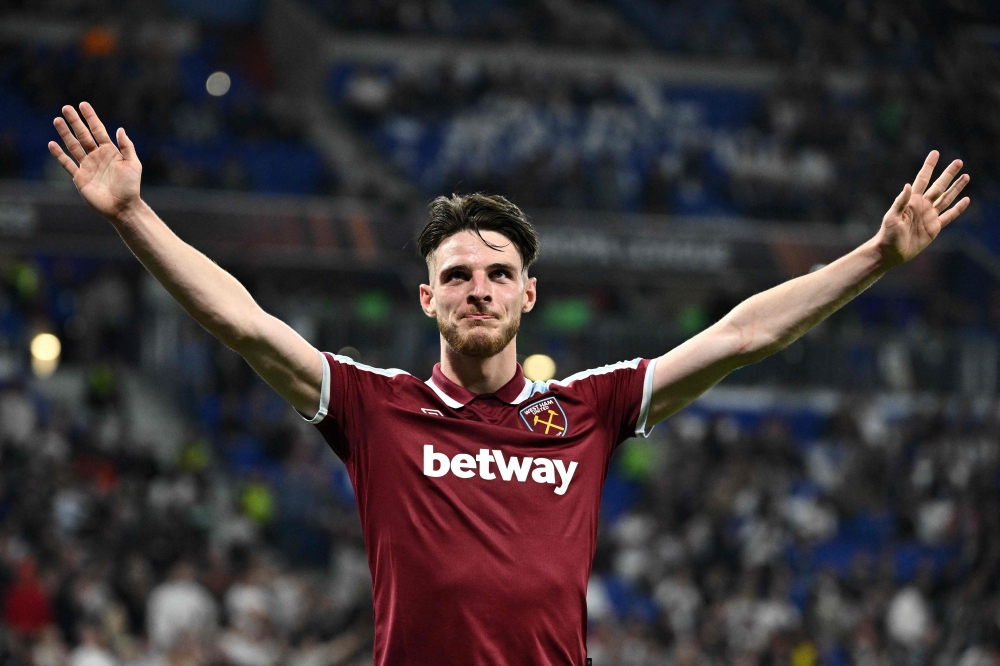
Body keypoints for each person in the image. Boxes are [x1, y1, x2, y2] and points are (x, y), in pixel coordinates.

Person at [47, 102, 970, 666]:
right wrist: (133, 214)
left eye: (496, 273)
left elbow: (743, 333)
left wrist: (879, 256)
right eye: (456, 275)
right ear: (427, 299)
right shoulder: (375, 407)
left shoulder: (589, 406)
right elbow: (241, 322)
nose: (477, 288)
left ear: (530, 293)